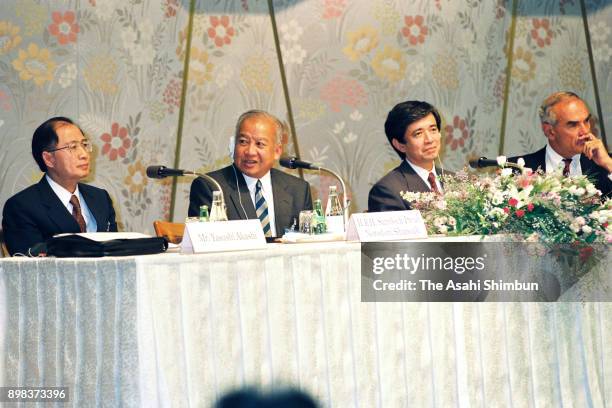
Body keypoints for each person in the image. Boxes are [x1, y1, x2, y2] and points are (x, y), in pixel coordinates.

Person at [2, 117, 118, 256]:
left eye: (84, 144)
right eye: (73, 147)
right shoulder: (22, 207)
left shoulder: (100, 198)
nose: (84, 154)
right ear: (49, 159)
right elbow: (29, 269)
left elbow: (117, 250)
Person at [189, 110, 313, 237]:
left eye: (259, 144)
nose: (250, 151)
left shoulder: (298, 189)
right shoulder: (210, 186)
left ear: (277, 151)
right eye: (243, 141)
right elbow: (205, 244)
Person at [509, 91, 611, 197]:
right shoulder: (515, 170)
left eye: (586, 121)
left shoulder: (605, 166)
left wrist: (608, 163)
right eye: (573, 125)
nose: (585, 131)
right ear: (549, 131)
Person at [368, 100, 446, 212]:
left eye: (433, 129)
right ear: (400, 145)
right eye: (418, 134)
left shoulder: (458, 181)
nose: (429, 139)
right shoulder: (387, 191)